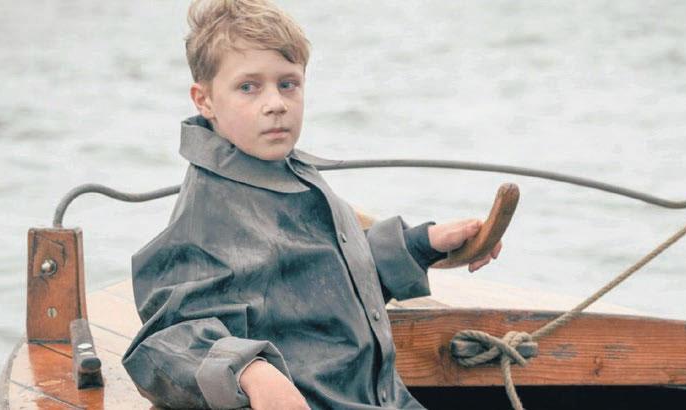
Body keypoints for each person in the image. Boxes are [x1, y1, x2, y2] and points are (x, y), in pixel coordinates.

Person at [122, 1, 501, 409]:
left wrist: (423, 244)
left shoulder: (286, 172)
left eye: (288, 84)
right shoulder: (209, 213)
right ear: (205, 100)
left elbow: (320, 279)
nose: (275, 103)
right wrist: (249, 370)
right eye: (248, 87)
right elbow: (164, 342)